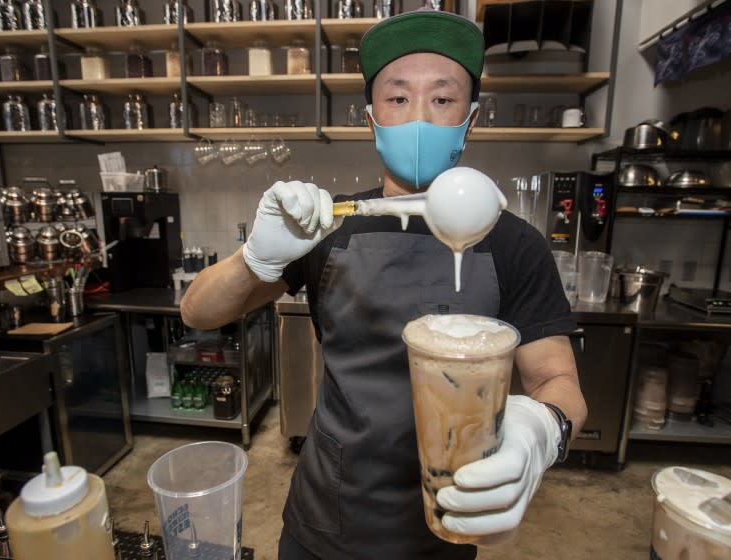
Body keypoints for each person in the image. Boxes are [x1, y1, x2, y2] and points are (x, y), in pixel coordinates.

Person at [181, 8, 587, 560]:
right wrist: (254, 257)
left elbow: (557, 379)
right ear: (372, 118)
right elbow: (198, 313)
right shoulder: (327, 225)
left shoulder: (515, 243)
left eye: (442, 100)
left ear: (471, 117)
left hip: (451, 518)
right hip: (327, 517)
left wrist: (542, 431)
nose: (419, 117)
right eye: (398, 98)